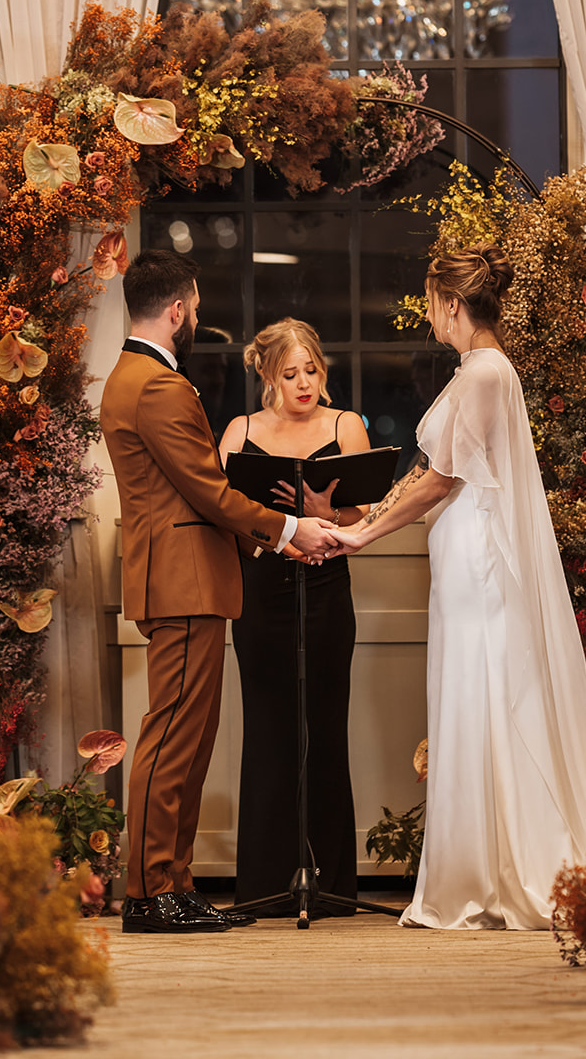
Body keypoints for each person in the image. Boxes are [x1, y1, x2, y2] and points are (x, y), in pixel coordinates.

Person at [329, 244, 586, 929]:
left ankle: (497, 867)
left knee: (486, 692)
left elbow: (441, 478)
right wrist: (364, 515)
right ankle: (480, 857)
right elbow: (427, 471)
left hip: (478, 555)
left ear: (454, 305)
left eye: (432, 302)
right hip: (461, 548)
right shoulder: (476, 371)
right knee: (469, 694)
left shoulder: (488, 373)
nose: (428, 313)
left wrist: (362, 536)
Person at [100, 250, 337, 936]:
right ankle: (148, 892)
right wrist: (292, 525)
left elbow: (195, 493)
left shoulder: (133, 376)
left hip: (181, 577)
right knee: (172, 738)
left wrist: (277, 537)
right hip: (183, 581)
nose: (197, 317)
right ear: (177, 310)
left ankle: (172, 883)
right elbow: (208, 490)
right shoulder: (157, 385)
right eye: (195, 307)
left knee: (187, 739)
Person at [220, 318, 369, 910]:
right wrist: (272, 533)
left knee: (327, 734)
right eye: (290, 373)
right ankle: (263, 887)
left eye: (311, 370)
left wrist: (329, 514)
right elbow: (220, 511)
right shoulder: (241, 430)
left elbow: (365, 518)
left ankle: (332, 887)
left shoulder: (346, 425)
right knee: (268, 734)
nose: (304, 383)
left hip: (328, 588)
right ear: (267, 376)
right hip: (261, 592)